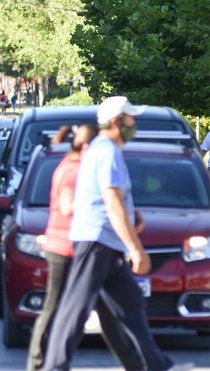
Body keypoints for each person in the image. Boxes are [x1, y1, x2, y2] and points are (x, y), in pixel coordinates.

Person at [43, 97, 177, 371]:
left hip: (104, 242)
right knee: (75, 308)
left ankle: (155, 364)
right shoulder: (107, 152)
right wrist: (136, 248)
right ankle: (54, 366)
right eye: (130, 118)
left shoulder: (102, 149)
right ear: (116, 122)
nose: (134, 123)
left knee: (131, 305)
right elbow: (112, 201)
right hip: (97, 241)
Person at [27, 125, 142, 371]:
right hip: (67, 250)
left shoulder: (74, 164)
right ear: (87, 146)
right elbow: (67, 206)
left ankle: (135, 364)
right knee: (55, 309)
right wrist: (103, 207)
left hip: (87, 250)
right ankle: (38, 364)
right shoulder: (74, 170)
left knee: (109, 313)